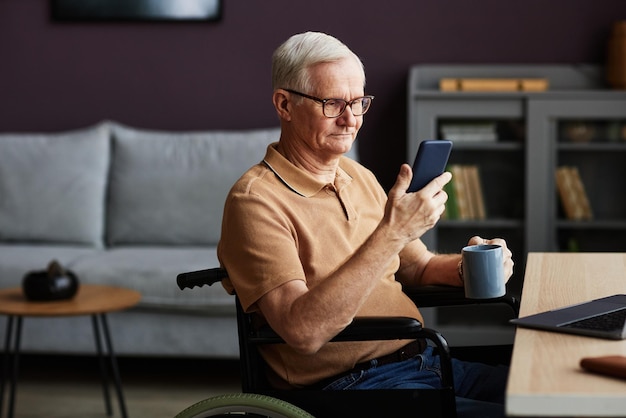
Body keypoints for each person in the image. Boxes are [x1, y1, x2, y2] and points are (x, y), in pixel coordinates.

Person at [218, 31, 514, 418]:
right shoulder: (255, 201)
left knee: (553, 393)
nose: (351, 119)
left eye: (358, 102)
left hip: (424, 363)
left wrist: (470, 266)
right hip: (352, 387)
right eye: (333, 104)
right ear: (284, 105)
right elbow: (303, 331)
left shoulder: (357, 175)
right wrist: (393, 232)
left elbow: (416, 266)